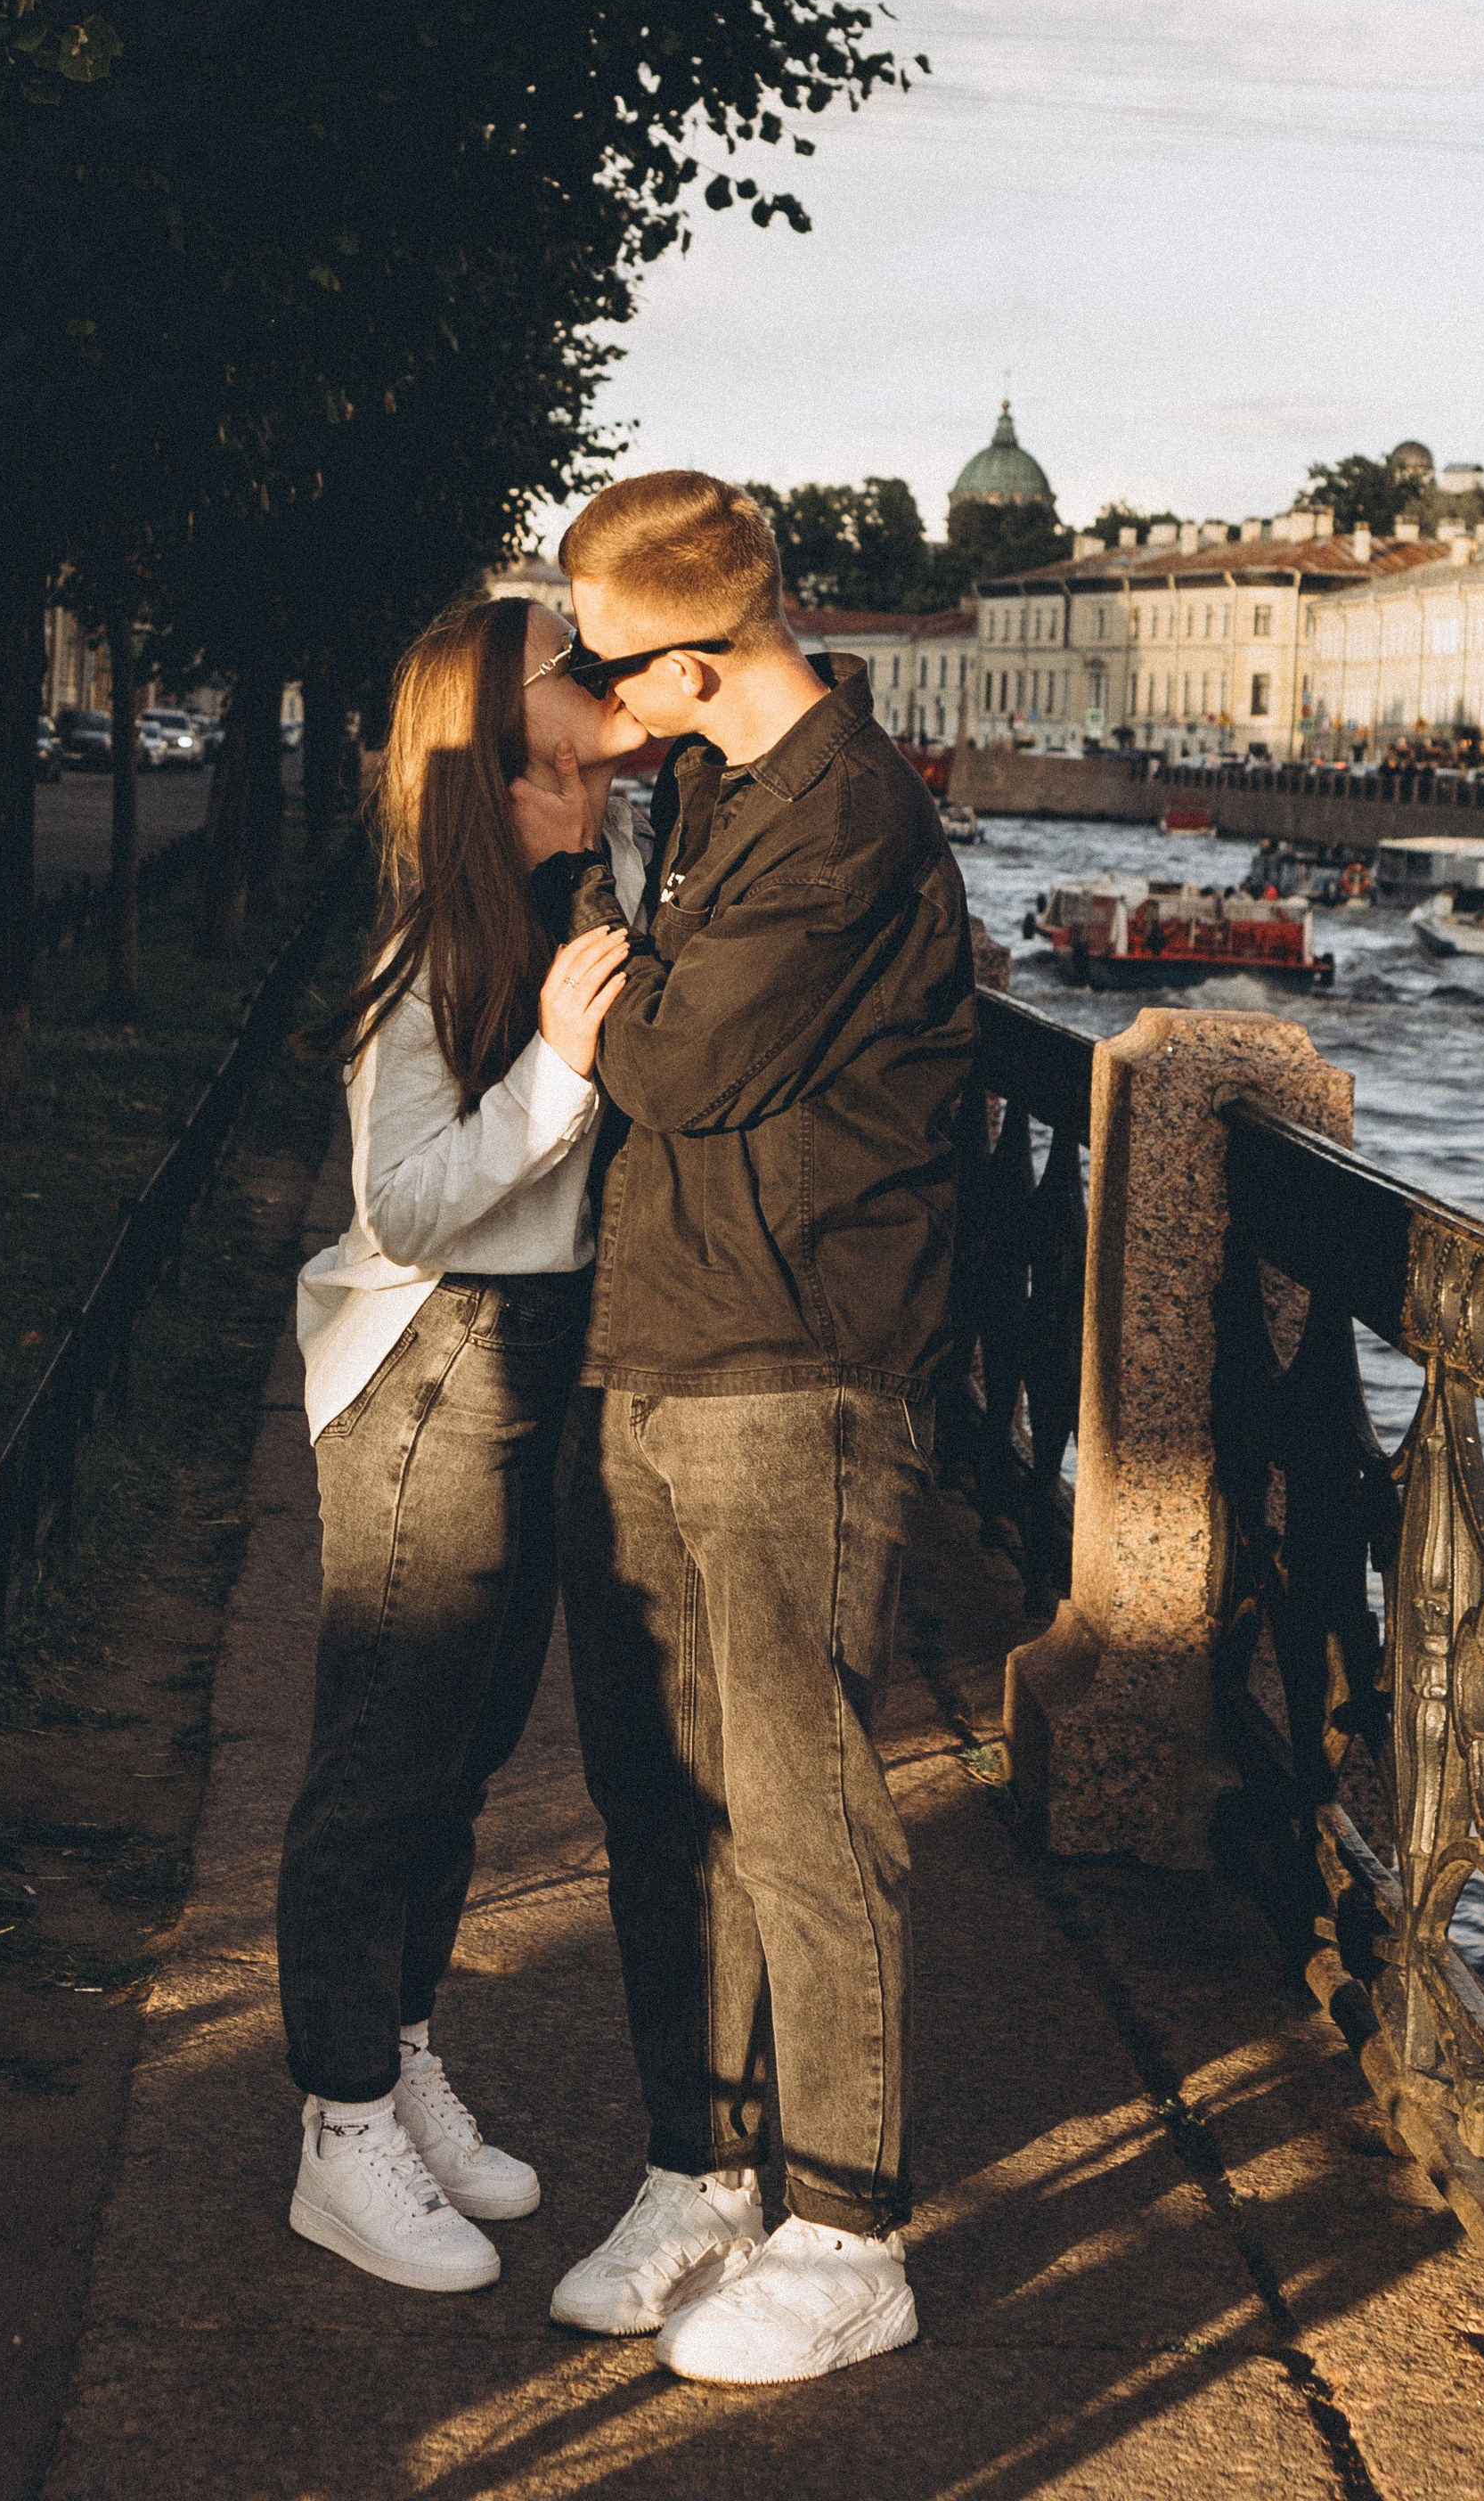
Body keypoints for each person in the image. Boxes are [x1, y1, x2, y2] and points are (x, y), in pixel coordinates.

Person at [534, 470, 976, 2386]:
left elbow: (689, 1059)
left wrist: (585, 1027)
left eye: (601, 658)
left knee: (801, 1810)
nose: (579, 682)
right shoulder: (709, 786)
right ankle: (704, 2169)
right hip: (658, 1338)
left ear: (695, 659)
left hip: (795, 1362)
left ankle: (847, 2228)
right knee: (659, 1795)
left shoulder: (848, 814)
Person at [276, 593, 633, 2294]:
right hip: (433, 1358)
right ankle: (337, 2127)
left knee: (470, 1746)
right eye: (563, 770)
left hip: (527, 1349)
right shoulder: (428, 954)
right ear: (486, 782)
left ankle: (398, 2049)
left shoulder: (560, 905)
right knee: (383, 1762)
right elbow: (406, 1202)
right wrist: (558, 1072)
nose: (597, 793)